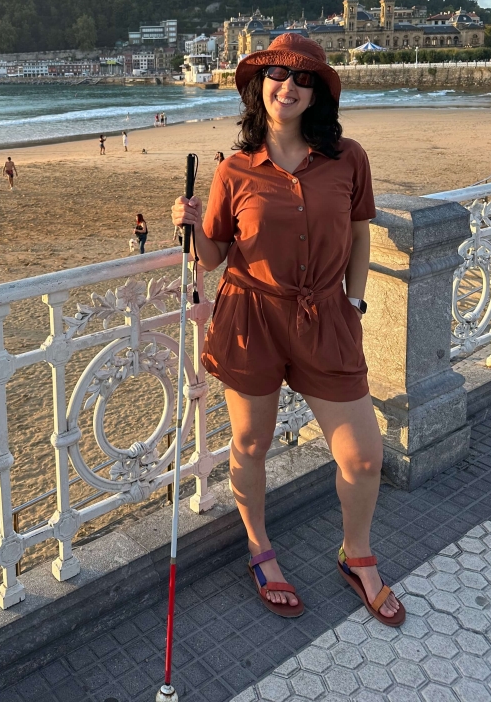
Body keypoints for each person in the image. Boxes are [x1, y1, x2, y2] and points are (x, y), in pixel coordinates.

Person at [171, 32, 405, 627]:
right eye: (277, 74)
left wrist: (354, 302)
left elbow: (357, 233)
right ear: (259, 86)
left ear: (317, 93)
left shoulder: (348, 157)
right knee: (251, 444)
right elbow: (212, 258)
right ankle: (259, 547)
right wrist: (190, 225)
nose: (289, 86)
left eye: (303, 78)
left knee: (363, 457)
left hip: (327, 316)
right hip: (251, 319)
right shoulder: (233, 168)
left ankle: (357, 555)